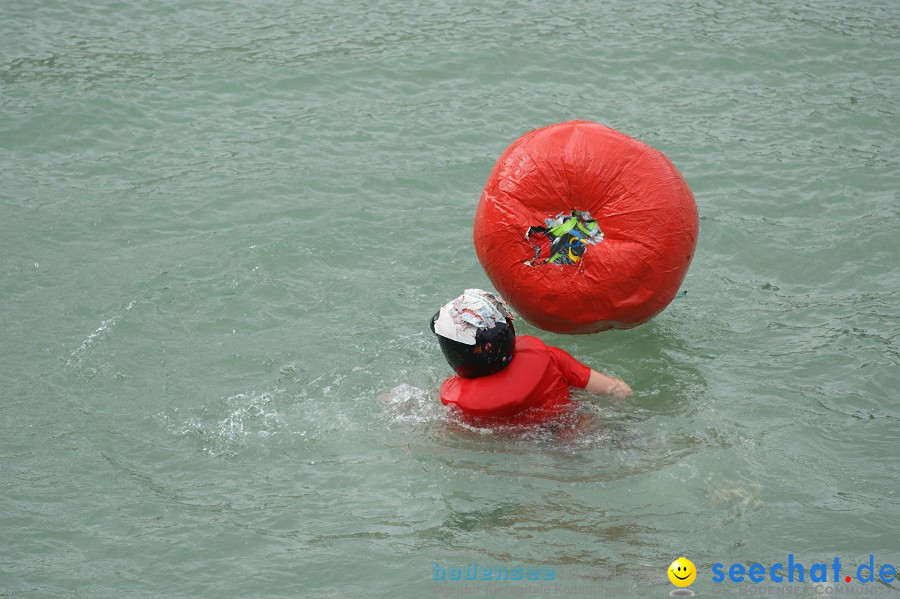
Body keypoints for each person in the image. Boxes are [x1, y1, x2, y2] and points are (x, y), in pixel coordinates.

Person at [430, 289, 632, 425]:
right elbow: (617, 390)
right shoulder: (548, 356)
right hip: (584, 426)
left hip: (539, 458)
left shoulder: (456, 400)